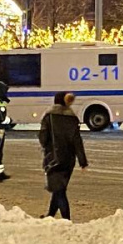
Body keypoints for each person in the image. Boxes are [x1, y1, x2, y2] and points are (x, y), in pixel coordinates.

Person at [39, 92, 88, 220]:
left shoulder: (49, 117)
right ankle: (50, 215)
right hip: (68, 160)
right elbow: (77, 141)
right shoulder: (72, 118)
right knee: (59, 188)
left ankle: (67, 220)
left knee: (59, 191)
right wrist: (83, 161)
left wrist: (46, 147)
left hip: (54, 158)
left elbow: (43, 137)